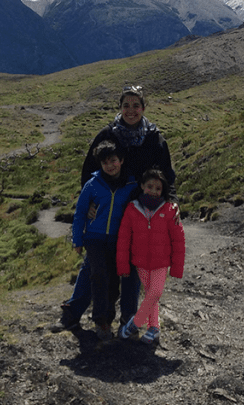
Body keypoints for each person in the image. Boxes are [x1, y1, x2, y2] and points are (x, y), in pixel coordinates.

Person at [53, 86, 176, 332]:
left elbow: (167, 176)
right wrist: (88, 202)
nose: (131, 111)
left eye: (136, 105)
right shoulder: (108, 134)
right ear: (120, 108)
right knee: (94, 265)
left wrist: (171, 205)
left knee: (131, 265)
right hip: (107, 210)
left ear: (143, 107)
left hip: (141, 213)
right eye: (126, 105)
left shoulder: (155, 138)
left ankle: (128, 321)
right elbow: (89, 171)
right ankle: (73, 312)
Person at [67, 141, 139, 339]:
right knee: (98, 275)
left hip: (118, 240)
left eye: (113, 161)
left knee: (113, 281)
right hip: (94, 239)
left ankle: (109, 317)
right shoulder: (92, 184)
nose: (110, 166)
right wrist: (77, 239)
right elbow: (80, 213)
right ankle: (101, 321)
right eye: (105, 162)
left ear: (121, 160)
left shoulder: (131, 185)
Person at [116, 169, 186, 345]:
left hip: (161, 262)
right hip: (140, 262)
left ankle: (135, 323)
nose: (153, 191)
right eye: (149, 186)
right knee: (150, 295)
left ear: (163, 191)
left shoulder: (170, 210)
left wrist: (177, 267)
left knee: (155, 292)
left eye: (158, 188)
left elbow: (178, 241)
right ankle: (154, 328)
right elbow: (124, 239)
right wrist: (123, 266)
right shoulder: (132, 209)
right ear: (142, 186)